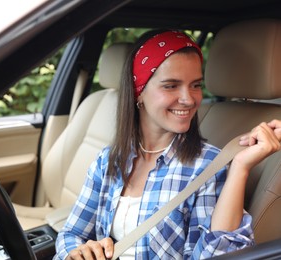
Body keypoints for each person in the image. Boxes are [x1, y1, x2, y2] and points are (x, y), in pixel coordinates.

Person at [54, 30, 281, 259]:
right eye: (171, 85)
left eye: (195, 85)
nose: (189, 99)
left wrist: (240, 168)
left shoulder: (209, 165)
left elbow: (216, 256)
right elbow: (71, 232)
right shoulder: (108, 160)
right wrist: (76, 253)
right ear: (138, 92)